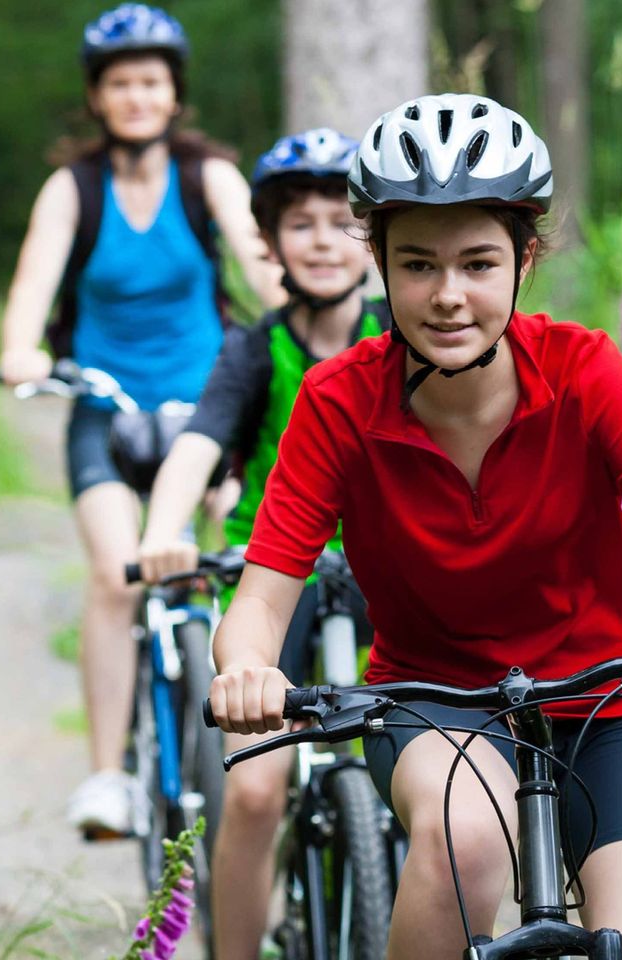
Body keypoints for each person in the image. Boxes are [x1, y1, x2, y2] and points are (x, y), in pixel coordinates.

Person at [206, 93, 622, 960]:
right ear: (377, 260)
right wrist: (246, 671)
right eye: (417, 265)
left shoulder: (586, 372)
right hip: (433, 702)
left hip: (618, 695)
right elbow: (264, 596)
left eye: (478, 263)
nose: (449, 296)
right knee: (467, 842)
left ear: (524, 260)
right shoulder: (338, 401)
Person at [0, 3, 279, 837]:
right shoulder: (72, 189)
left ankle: (260, 745)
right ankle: (107, 778)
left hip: (206, 403)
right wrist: (21, 353)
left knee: (228, 555)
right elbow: (32, 285)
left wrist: (304, 317)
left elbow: (264, 269)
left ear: (174, 92)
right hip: (104, 410)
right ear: (96, 96)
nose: (136, 97)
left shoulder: (210, 179)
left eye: (151, 81)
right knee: (115, 572)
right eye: (120, 83)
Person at [136, 128, 386, 959]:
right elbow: (200, 446)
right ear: (271, 243)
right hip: (271, 576)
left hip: (394, 578)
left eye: (340, 222)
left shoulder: (405, 336)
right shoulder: (254, 350)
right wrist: (163, 532)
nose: (322, 241)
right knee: (255, 792)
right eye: (300, 223)